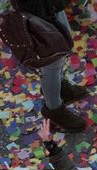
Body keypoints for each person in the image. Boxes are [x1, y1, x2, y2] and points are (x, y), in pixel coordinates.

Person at [13, 0, 88, 132]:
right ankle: (54, 109)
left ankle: (57, 85)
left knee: (63, 40)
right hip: (35, 7)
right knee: (51, 54)